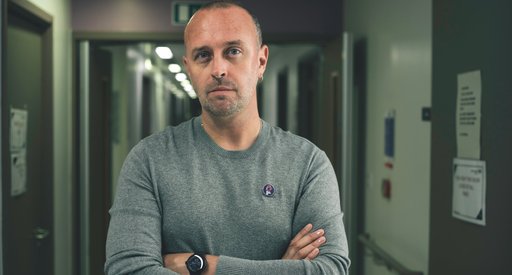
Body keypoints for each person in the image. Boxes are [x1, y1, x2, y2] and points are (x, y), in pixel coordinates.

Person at [104, 1, 350, 274]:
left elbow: (331, 269)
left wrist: (204, 266)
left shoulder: (307, 164)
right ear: (189, 68)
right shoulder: (149, 159)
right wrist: (282, 268)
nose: (218, 69)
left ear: (260, 61)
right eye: (203, 55)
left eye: (233, 51)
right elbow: (127, 269)